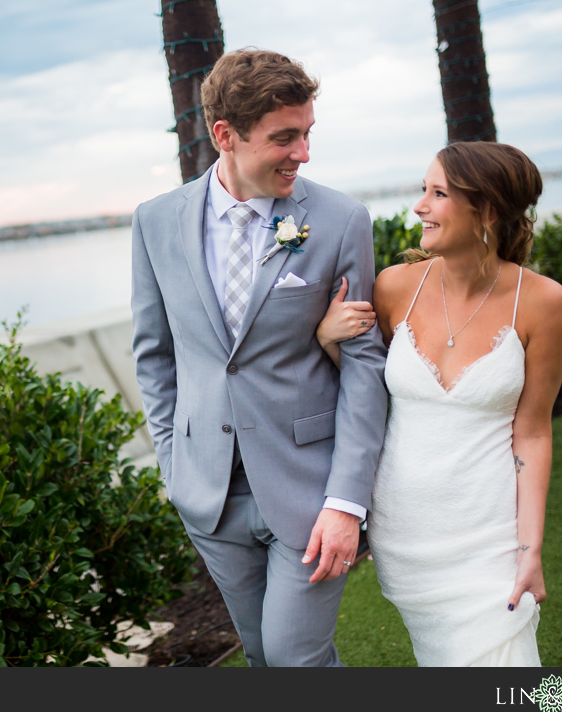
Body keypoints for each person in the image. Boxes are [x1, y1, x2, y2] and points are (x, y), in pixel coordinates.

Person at [130, 49, 387, 667]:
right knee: (265, 657)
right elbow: (154, 356)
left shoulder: (340, 220)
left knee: (297, 657)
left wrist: (347, 502)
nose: (303, 153)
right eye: (284, 137)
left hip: (309, 488)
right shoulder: (155, 222)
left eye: (306, 134)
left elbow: (365, 366)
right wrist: (174, 464)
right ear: (225, 135)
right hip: (209, 494)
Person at [315, 141, 562, 666]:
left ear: (488, 210)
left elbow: (534, 431)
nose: (420, 206)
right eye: (423, 190)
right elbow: (367, 391)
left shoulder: (544, 302)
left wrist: (531, 549)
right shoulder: (393, 287)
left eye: (438, 193)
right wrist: (326, 339)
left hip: (491, 536)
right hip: (407, 535)